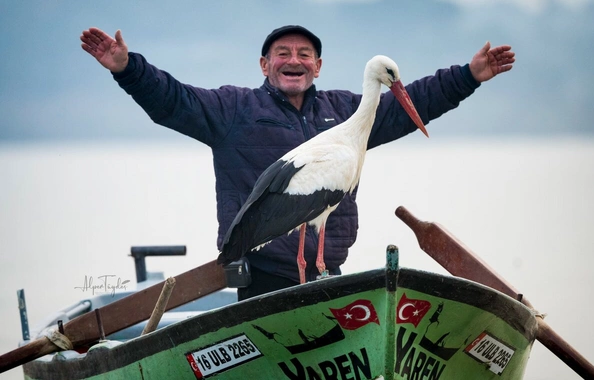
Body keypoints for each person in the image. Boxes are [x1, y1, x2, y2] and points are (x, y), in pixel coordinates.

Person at [80, 25, 515, 301]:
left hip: (330, 272)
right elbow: (172, 100)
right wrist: (128, 69)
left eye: (305, 54)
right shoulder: (232, 109)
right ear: (264, 64)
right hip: (260, 278)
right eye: (283, 53)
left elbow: (409, 100)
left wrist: (468, 76)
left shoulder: (350, 112)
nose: (294, 60)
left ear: (319, 66)